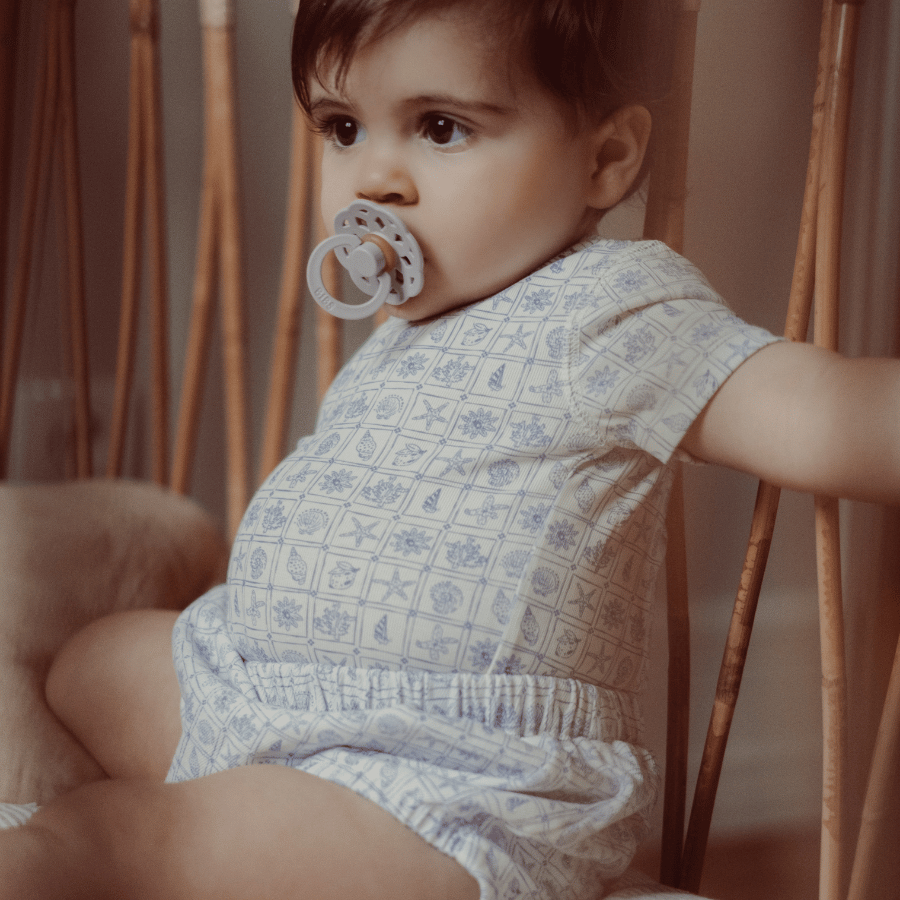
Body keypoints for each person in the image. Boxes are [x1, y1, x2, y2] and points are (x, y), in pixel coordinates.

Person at [2, 1, 898, 898]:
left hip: (443, 783)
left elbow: (826, 413)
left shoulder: (617, 310)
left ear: (605, 158)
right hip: (271, 701)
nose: (374, 178)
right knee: (96, 661)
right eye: (343, 127)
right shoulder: (408, 331)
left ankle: (134, 847)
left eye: (440, 127)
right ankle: (238, 816)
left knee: (106, 838)